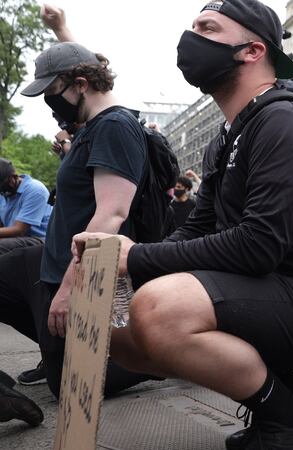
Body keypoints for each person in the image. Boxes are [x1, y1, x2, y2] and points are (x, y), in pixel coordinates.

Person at [72, 2, 293, 449]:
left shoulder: (284, 119)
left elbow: (258, 246)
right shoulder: (228, 136)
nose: (191, 38)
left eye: (207, 29)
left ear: (251, 51)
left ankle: (286, 420)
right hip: (269, 289)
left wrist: (138, 256)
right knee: (123, 331)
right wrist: (124, 258)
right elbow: (197, 229)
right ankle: (282, 384)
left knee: (159, 309)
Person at [0, 40, 152, 398]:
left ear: (81, 84)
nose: (49, 102)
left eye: (52, 92)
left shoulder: (115, 126)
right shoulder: (89, 127)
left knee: (67, 385)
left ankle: (155, 361)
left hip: (77, 268)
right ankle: (55, 342)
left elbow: (111, 214)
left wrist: (70, 288)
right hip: (49, 259)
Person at [0, 159, 51, 255]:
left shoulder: (35, 190)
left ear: (14, 177)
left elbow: (19, 230)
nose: (2, 190)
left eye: (3, 185)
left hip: (40, 239)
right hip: (15, 239)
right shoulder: (2, 193)